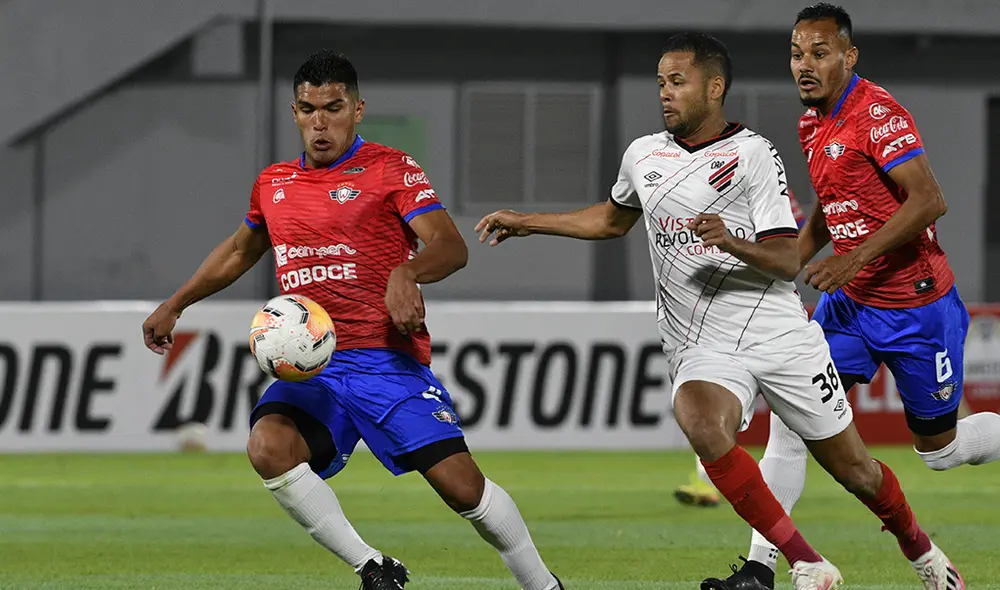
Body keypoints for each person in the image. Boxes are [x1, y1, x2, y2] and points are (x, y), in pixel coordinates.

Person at [475, 33, 963, 590]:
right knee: (702, 424)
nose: (665, 94)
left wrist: (731, 242)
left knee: (858, 472)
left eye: (677, 82)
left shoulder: (753, 154)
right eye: (661, 82)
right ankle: (805, 562)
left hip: (779, 337)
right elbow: (610, 221)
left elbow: (785, 259)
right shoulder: (642, 155)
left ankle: (921, 551)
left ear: (714, 87)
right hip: (702, 344)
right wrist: (528, 221)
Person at [142, 50, 563, 590]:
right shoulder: (273, 183)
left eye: (334, 108)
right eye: (308, 109)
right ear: (294, 112)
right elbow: (239, 250)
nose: (321, 122)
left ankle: (543, 586)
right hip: (313, 367)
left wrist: (406, 273)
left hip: (384, 360)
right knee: (268, 446)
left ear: (358, 109)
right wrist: (176, 303)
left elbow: (450, 246)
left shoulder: (391, 168)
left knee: (463, 489)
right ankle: (372, 566)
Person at [710, 4, 998, 589]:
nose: (805, 66)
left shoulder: (879, 113)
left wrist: (852, 258)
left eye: (819, 53)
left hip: (917, 307)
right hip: (851, 306)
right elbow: (834, 200)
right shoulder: (812, 122)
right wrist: (795, 254)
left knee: (938, 451)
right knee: (793, 421)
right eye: (796, 54)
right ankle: (763, 569)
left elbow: (928, 200)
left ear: (849, 55)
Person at [673, 189, 807, 510]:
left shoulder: (766, 186)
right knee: (707, 404)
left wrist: (754, 251)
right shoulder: (706, 186)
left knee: (791, 420)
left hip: (767, 309)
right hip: (721, 311)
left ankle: (776, 483)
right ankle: (711, 482)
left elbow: (797, 234)